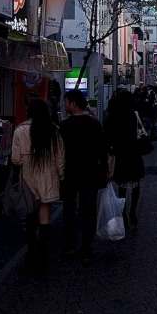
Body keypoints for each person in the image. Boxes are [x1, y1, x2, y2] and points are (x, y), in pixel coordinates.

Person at [12, 98, 65, 274]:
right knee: (45, 216)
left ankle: (30, 253)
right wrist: (61, 175)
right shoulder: (54, 130)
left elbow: (16, 159)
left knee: (29, 216)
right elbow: (60, 158)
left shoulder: (20, 130)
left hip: (28, 178)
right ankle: (42, 257)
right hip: (48, 177)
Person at [59, 90, 108, 264]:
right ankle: (87, 248)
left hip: (70, 173)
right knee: (88, 210)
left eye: (66, 102)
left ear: (73, 104)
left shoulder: (63, 126)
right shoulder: (94, 125)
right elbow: (103, 151)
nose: (64, 106)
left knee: (69, 210)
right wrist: (105, 172)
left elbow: (59, 153)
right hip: (90, 172)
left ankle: (69, 245)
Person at [103, 90, 145, 229]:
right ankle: (133, 212)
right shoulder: (133, 114)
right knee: (135, 184)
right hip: (133, 152)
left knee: (121, 187)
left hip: (119, 154)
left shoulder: (111, 115)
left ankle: (123, 214)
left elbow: (107, 136)